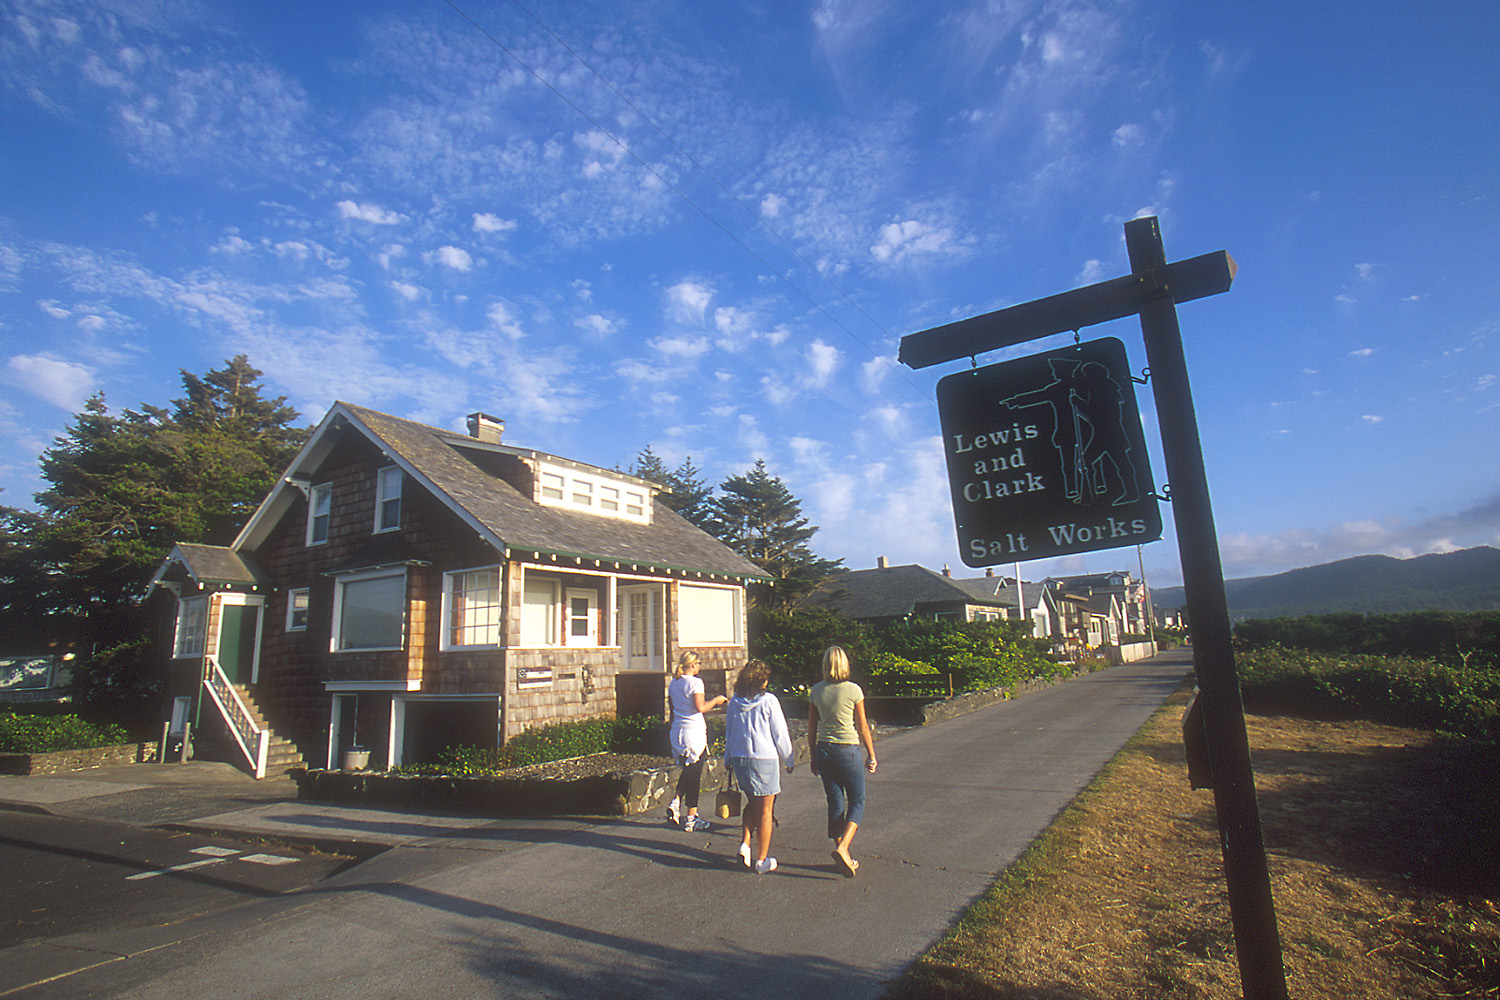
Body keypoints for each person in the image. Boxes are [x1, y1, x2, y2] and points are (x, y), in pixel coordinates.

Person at [808, 645, 877, 878]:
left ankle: (842, 856)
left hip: (824, 750)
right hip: (847, 750)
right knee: (858, 800)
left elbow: (811, 727)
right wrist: (872, 754)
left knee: (835, 803)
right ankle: (843, 848)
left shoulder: (816, 691)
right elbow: (863, 726)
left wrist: (812, 755)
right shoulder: (854, 690)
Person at [724, 659, 794, 874]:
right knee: (766, 809)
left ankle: (745, 844)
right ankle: (762, 859)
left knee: (752, 802)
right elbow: (779, 733)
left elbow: (730, 731)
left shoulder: (734, 701)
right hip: (764, 759)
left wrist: (728, 758)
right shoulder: (769, 701)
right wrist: (789, 759)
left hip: (740, 758)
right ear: (762, 681)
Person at [666, 651, 726, 832]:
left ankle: (686, 811)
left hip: (678, 731)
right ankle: (686, 812)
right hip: (694, 733)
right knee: (694, 773)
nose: (700, 666)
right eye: (698, 663)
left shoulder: (674, 683)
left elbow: (672, 709)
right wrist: (716, 700)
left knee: (690, 771)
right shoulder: (695, 682)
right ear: (692, 665)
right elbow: (700, 707)